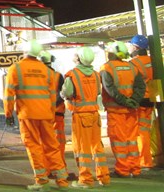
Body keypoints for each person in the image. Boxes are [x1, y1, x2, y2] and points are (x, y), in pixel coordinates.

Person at [5, 39, 69, 190]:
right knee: (52, 146)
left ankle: (41, 180)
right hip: (46, 114)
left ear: (24, 51)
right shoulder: (47, 70)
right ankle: (62, 180)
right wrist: (51, 112)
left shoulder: (16, 68)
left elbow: (9, 94)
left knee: (34, 146)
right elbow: (53, 95)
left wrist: (8, 113)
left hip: (28, 115)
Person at [61, 46, 111, 188]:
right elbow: (98, 92)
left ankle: (86, 180)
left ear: (79, 58)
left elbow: (67, 93)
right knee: (98, 147)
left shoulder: (72, 75)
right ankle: (104, 177)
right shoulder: (96, 74)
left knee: (83, 149)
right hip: (95, 114)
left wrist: (62, 95)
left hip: (81, 115)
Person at [100, 41, 145, 178]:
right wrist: (133, 101)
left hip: (116, 112)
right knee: (132, 141)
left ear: (113, 53)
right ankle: (135, 168)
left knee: (119, 141)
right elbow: (141, 87)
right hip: (131, 111)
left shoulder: (106, 68)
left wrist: (124, 101)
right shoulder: (133, 67)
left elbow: (111, 90)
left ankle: (123, 170)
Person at [127, 34, 155, 170]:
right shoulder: (154, 60)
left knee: (139, 132)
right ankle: (147, 160)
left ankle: (144, 161)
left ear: (136, 47)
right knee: (146, 130)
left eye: (131, 45)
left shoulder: (133, 63)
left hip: (139, 100)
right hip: (152, 98)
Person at [38, 50, 68, 174]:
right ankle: (59, 170)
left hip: (42, 116)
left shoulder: (37, 77)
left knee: (43, 144)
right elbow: (63, 94)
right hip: (57, 115)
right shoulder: (58, 76)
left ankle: (46, 170)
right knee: (58, 144)